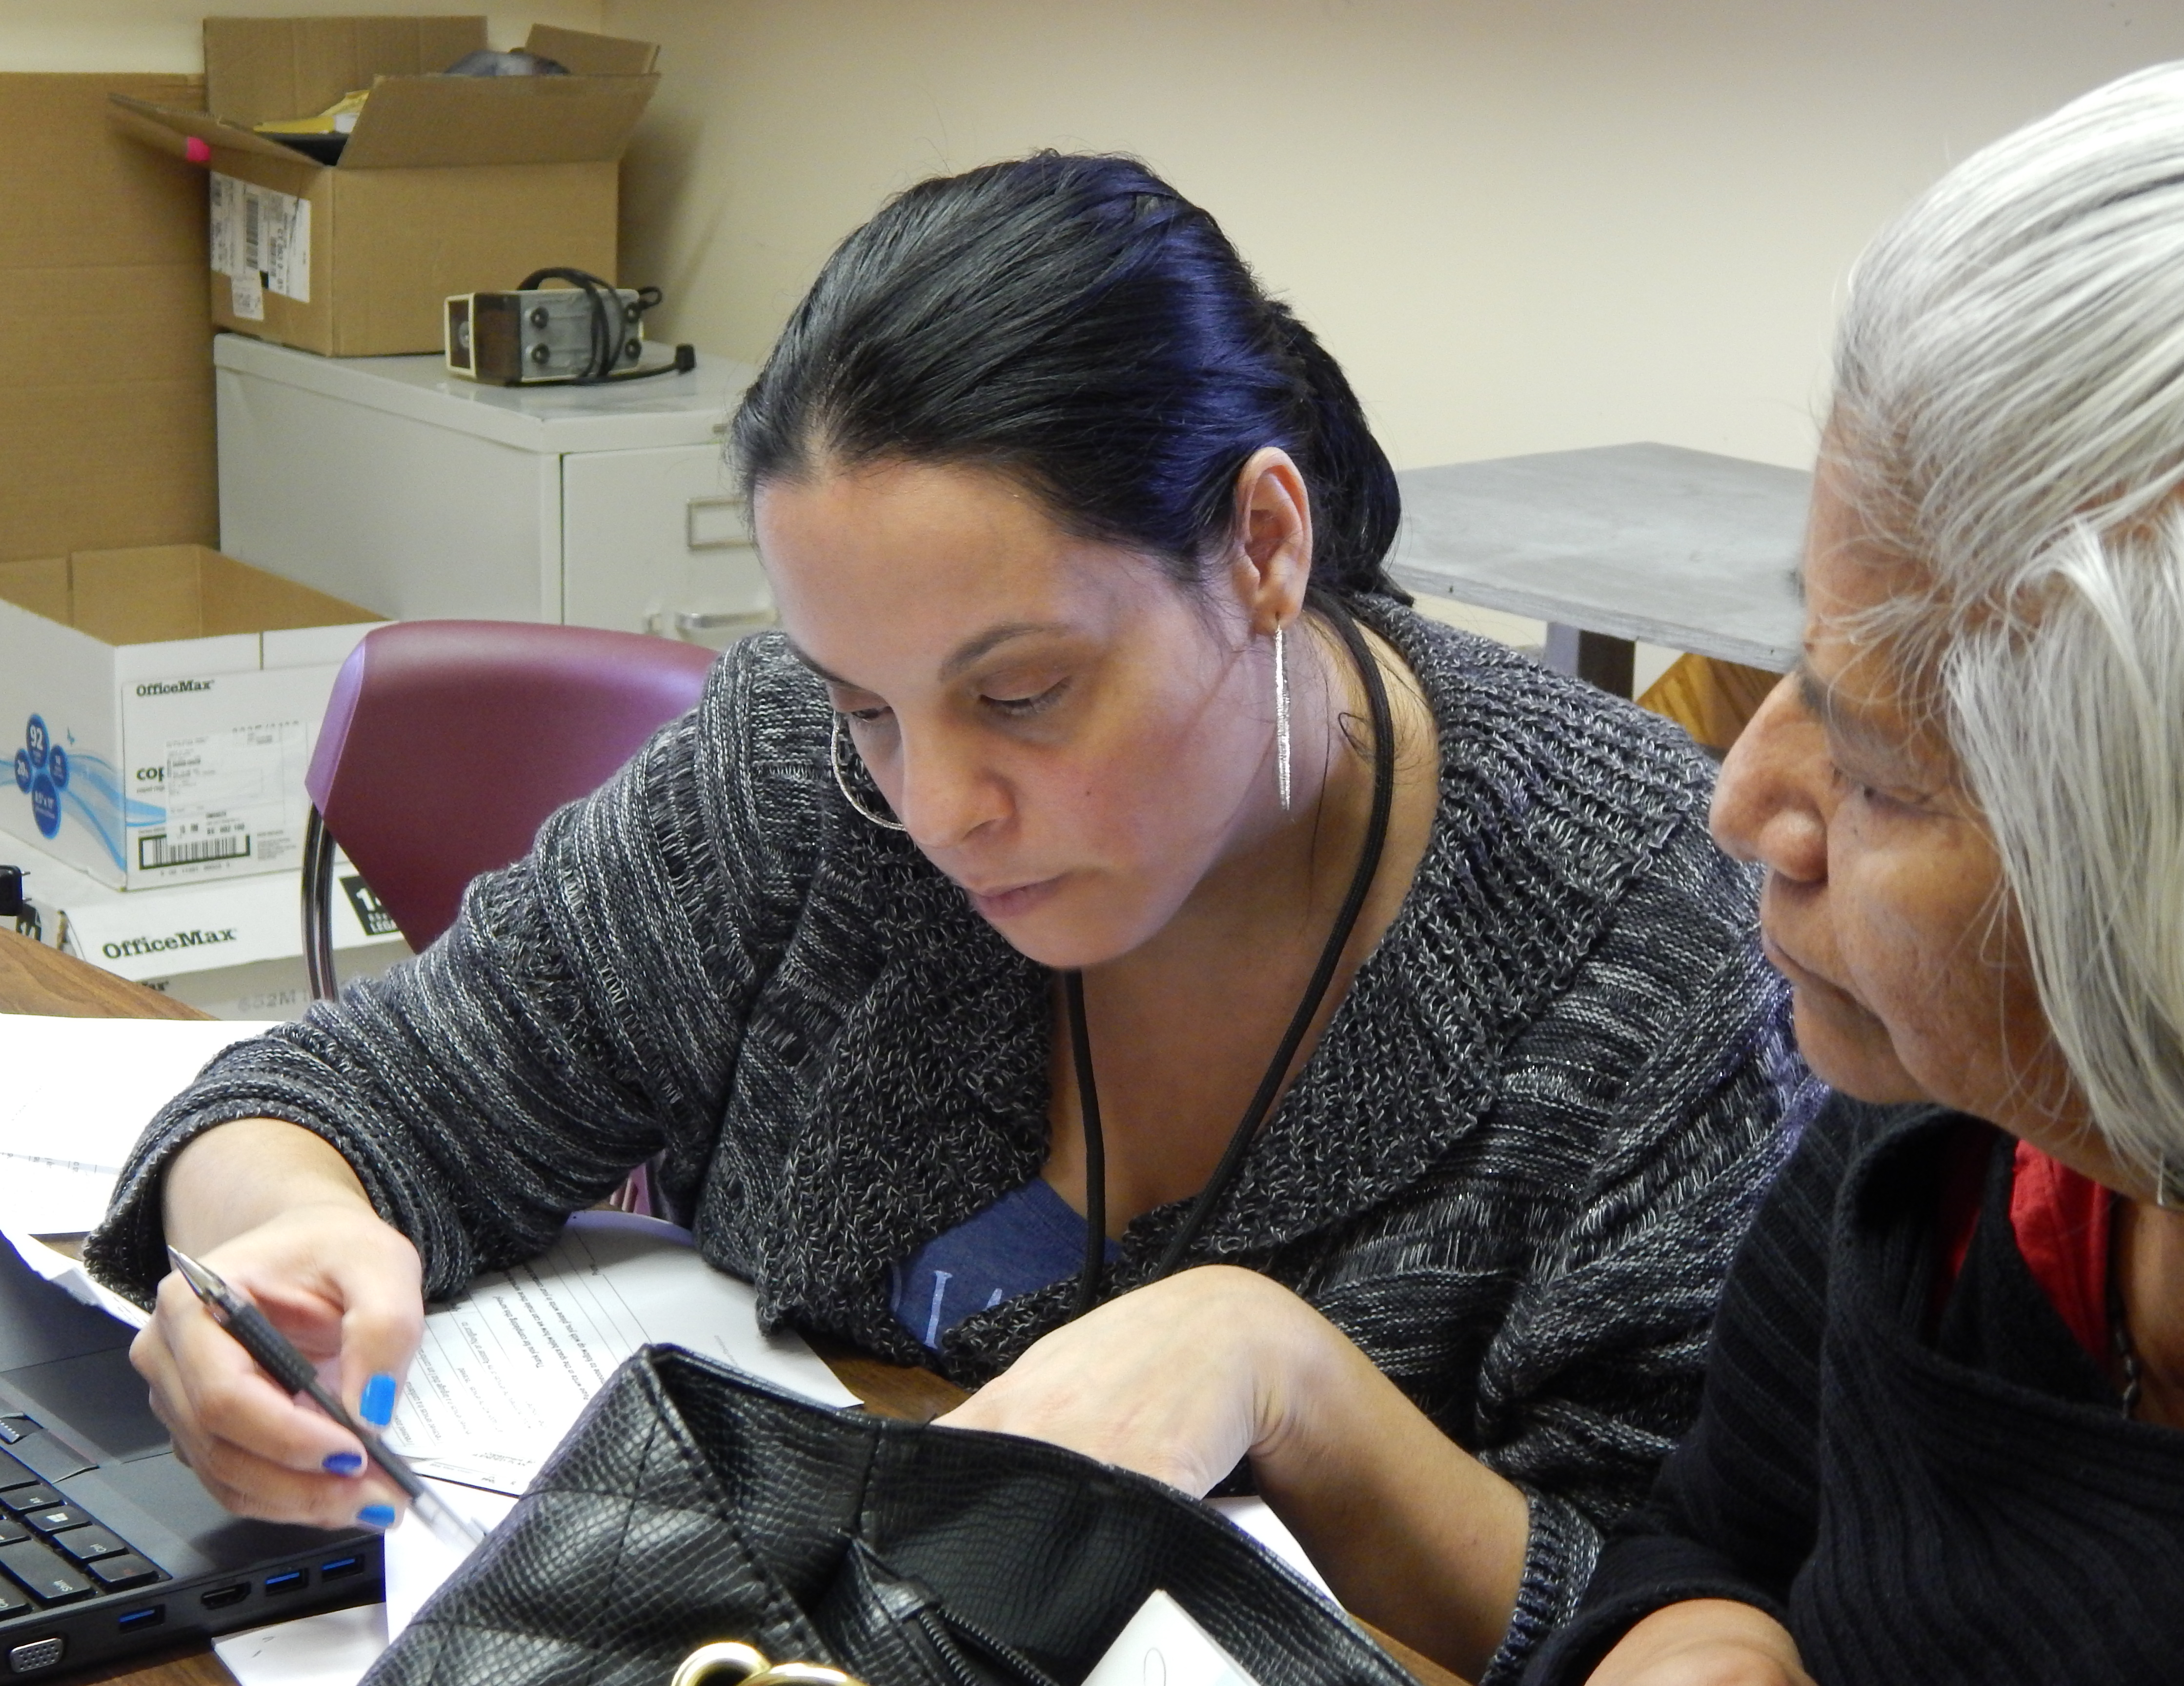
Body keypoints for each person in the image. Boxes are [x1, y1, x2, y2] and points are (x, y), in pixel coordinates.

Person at [86, 153, 1804, 1681]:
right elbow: (359, 1091)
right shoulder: (794, 782)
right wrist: (271, 1247)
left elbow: (1664, 1602)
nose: (936, 805)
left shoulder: (1652, 937)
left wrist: (1282, 1372)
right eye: (866, 705)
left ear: (1265, 544)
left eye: (1030, 692)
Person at [1512, 60, 2184, 1686]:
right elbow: (1721, 1535)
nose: (1746, 799)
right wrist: (1697, 1647)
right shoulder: (1947, 1148)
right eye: (1804, 660)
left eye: (1882, 771)